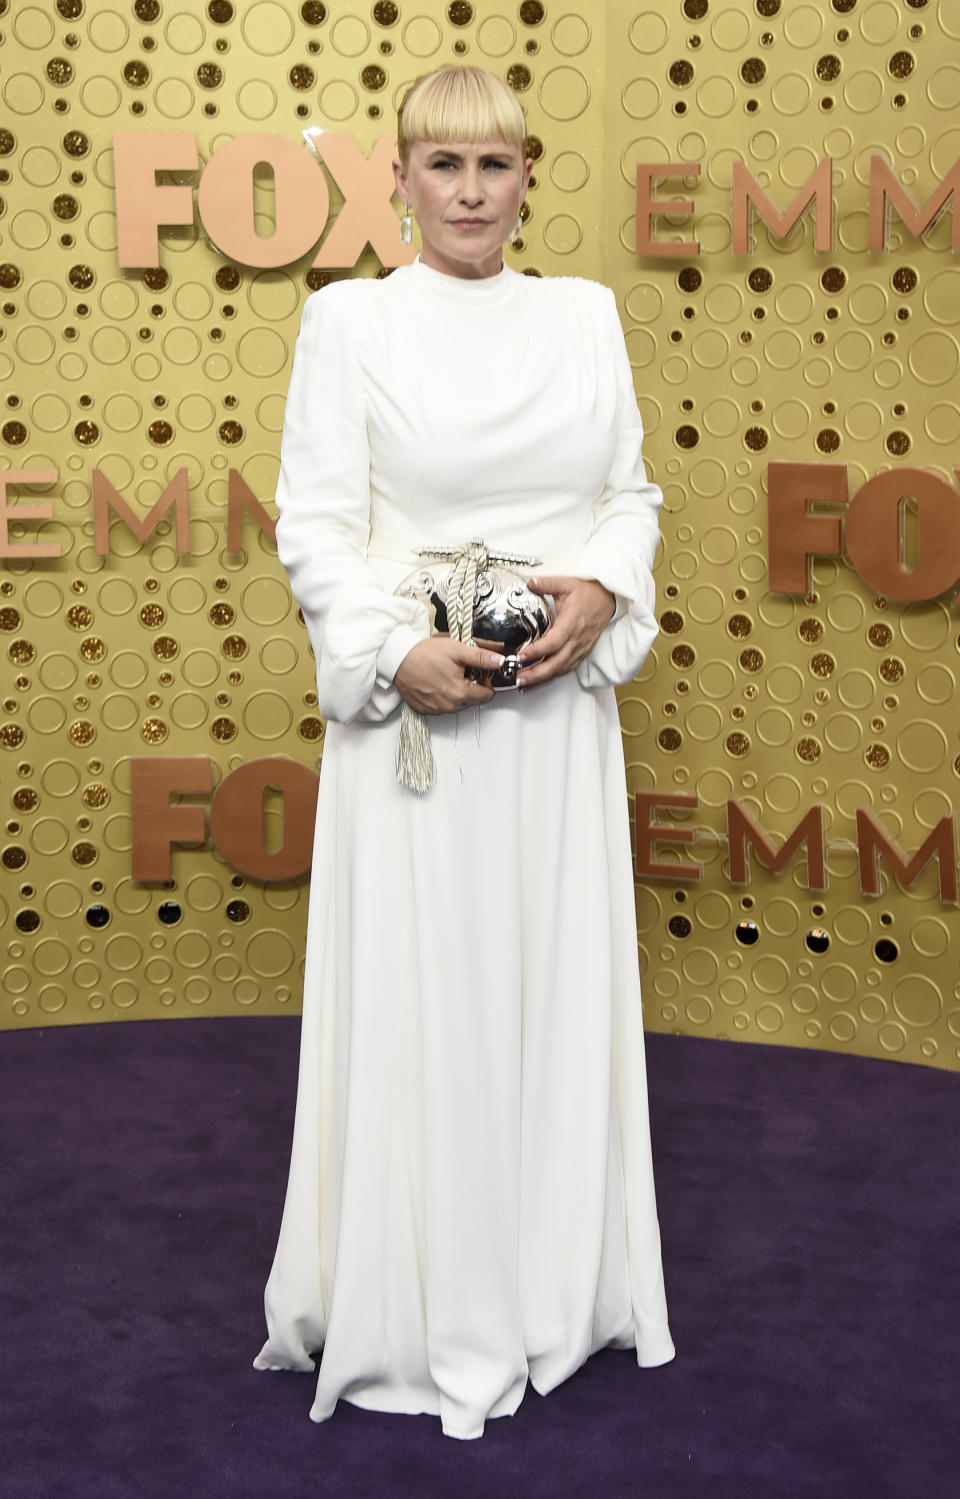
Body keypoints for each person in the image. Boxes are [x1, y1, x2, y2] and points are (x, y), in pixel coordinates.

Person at [254, 63, 674, 1440]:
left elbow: (628, 491)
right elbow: (315, 522)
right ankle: (424, 1305)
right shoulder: (349, 323)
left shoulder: (587, 316)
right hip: (420, 729)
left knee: (545, 989)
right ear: (401, 177)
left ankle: (557, 1286)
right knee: (431, 1002)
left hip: (554, 724)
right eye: (444, 166)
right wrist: (390, 654)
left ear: (529, 177)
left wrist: (604, 591)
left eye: (494, 167)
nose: (471, 193)